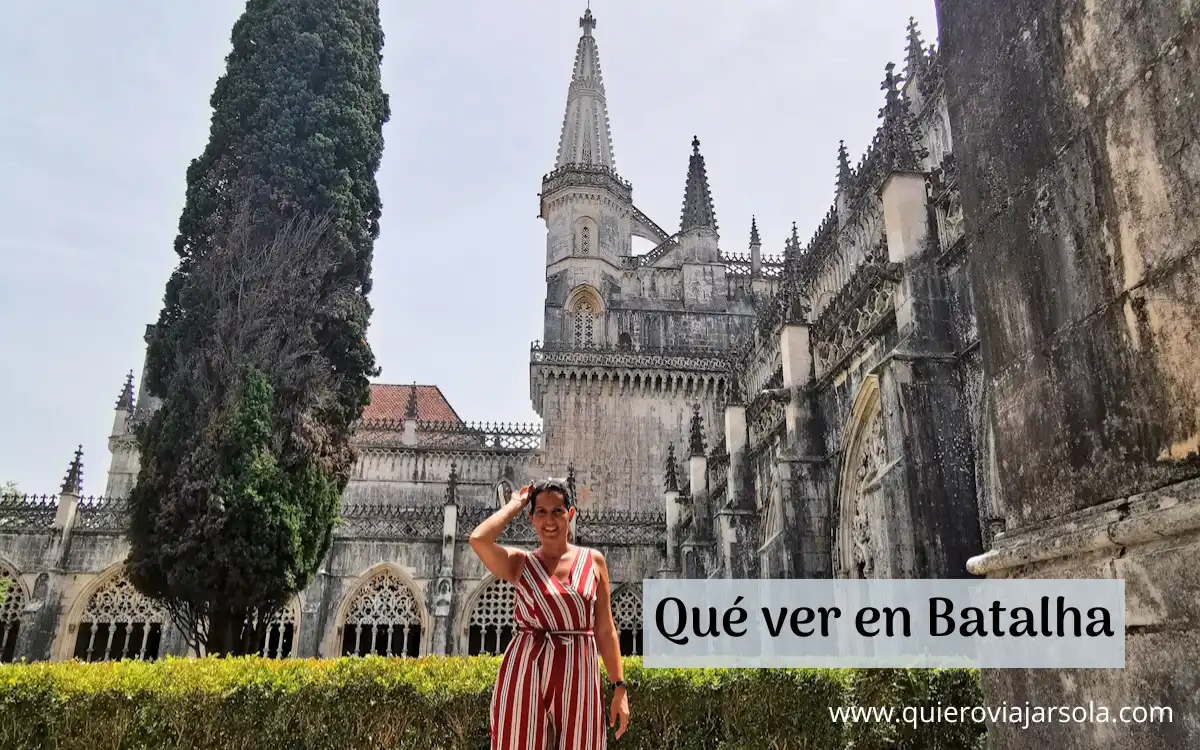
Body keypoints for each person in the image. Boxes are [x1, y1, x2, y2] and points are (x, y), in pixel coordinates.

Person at [468, 478, 630, 749]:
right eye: (540, 512)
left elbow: (605, 630)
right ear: (531, 518)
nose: (550, 520)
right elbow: (479, 539)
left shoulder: (594, 561)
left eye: (557, 510)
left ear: (571, 514)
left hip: (580, 671)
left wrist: (619, 687)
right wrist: (515, 505)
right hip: (525, 671)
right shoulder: (520, 563)